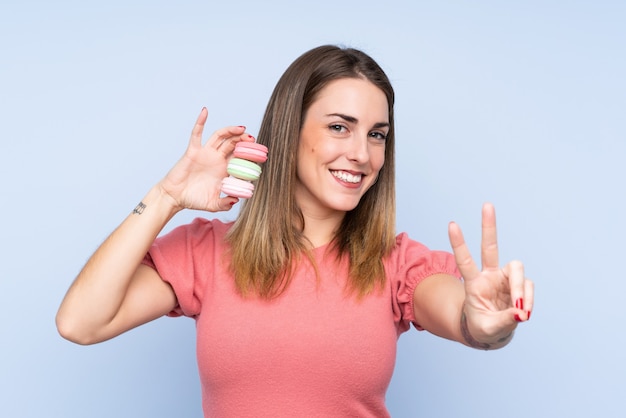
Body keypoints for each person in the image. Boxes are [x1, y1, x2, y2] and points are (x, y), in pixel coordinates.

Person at [56, 44, 534, 417]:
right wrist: (166, 196)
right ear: (290, 130)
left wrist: (486, 324)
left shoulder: (398, 264)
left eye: (376, 134)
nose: (362, 155)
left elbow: (467, 321)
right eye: (339, 127)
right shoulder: (206, 253)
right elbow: (81, 323)